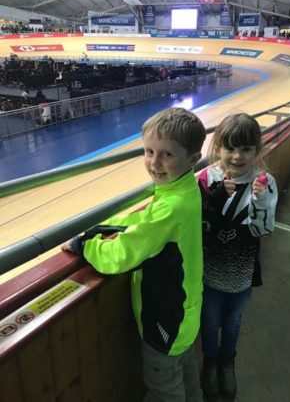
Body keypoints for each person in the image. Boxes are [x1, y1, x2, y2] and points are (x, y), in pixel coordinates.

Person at [62, 107, 207, 402]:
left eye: (167, 154)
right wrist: (107, 227)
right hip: (188, 315)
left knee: (165, 390)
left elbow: (121, 256)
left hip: (167, 320)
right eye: (149, 151)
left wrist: (85, 246)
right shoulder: (183, 189)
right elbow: (148, 223)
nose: (154, 162)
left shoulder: (171, 207)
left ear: (192, 159)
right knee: (189, 380)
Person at [198, 113, 278, 401]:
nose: (237, 156)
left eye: (245, 149)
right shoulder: (207, 179)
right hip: (209, 274)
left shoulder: (265, 181)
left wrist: (262, 201)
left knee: (232, 322)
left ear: (257, 151)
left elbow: (264, 229)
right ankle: (210, 362)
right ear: (218, 148)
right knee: (209, 323)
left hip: (242, 274)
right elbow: (200, 225)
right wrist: (216, 199)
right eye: (230, 148)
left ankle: (226, 362)